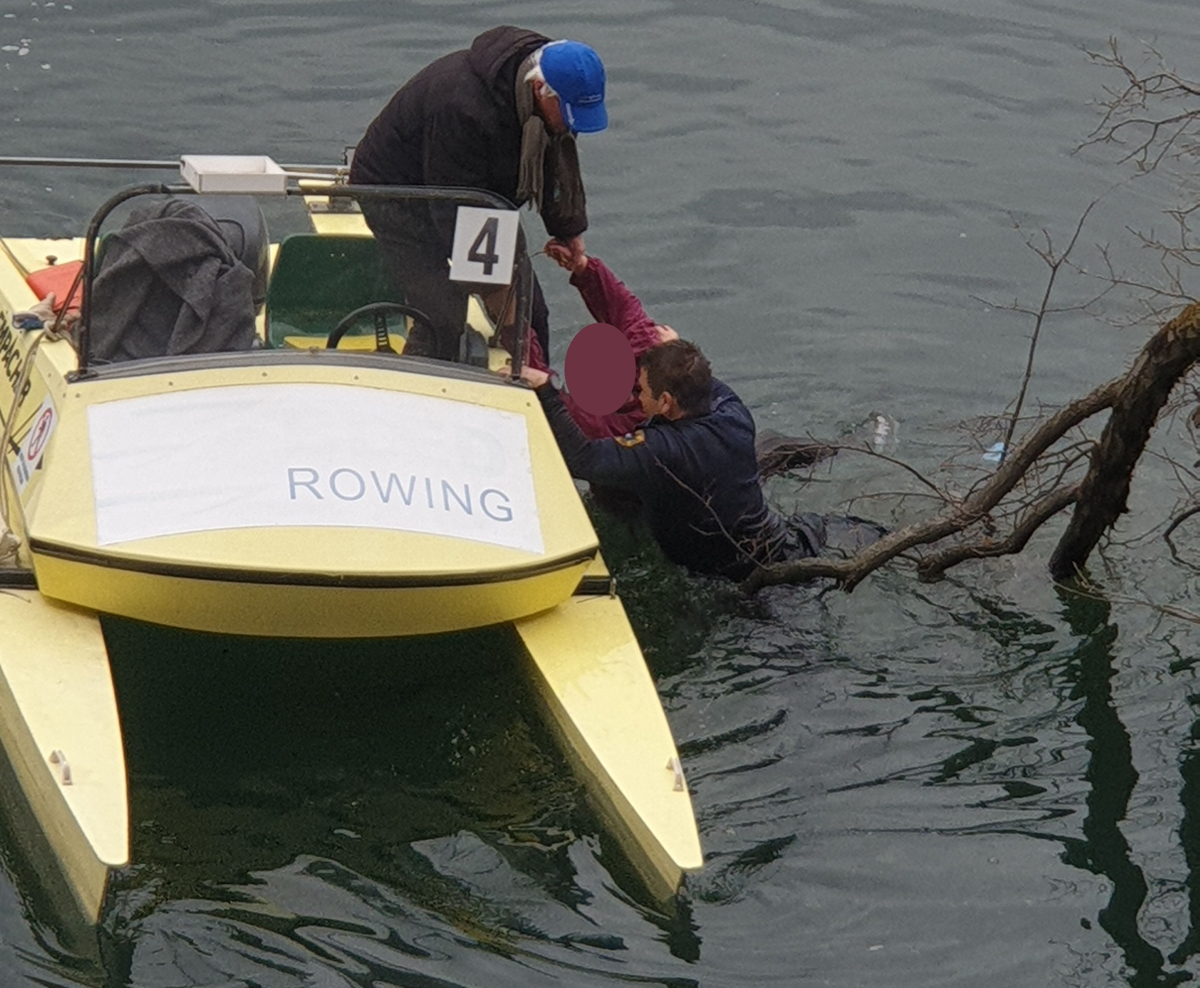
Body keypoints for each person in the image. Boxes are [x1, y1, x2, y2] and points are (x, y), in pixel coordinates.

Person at [349, 26, 607, 361]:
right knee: (441, 315)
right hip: (398, 191)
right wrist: (492, 286)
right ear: (540, 88)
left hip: (483, 194)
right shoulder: (462, 107)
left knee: (531, 318)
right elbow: (453, 210)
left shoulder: (556, 86)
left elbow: (556, 161)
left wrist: (568, 230)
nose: (573, 127)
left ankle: (537, 388)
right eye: (570, 115)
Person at [522, 339, 801, 580]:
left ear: (666, 402)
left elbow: (583, 460)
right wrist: (674, 349)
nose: (637, 396)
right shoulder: (731, 409)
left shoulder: (663, 449)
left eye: (642, 390)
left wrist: (547, 389)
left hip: (729, 578)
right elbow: (697, 377)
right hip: (781, 542)